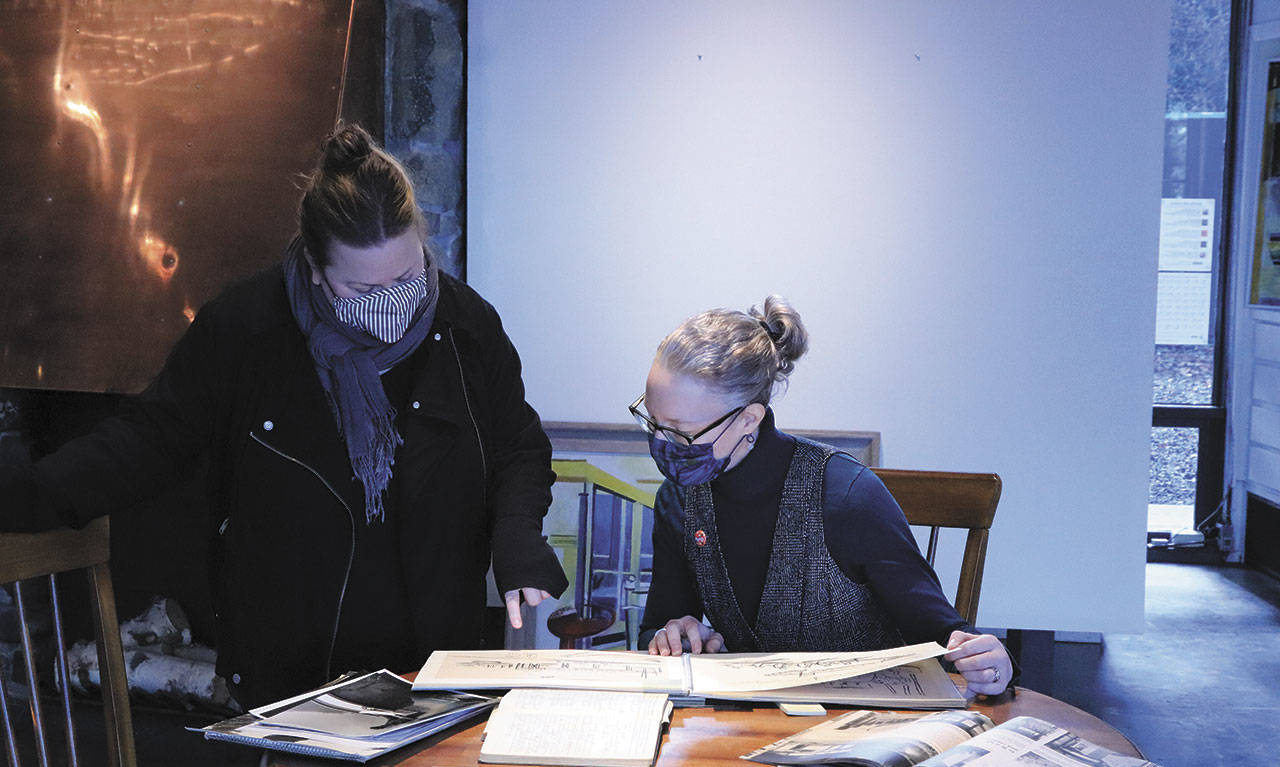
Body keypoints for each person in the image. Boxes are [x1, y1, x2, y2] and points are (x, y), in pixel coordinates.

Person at [0, 123, 567, 710]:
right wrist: (27, 497)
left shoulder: (465, 327)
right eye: (361, 287)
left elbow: (517, 447)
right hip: (291, 669)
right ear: (316, 269)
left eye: (406, 277)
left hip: (434, 659)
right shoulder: (246, 330)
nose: (392, 301)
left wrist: (517, 539)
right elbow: (149, 438)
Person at [633, 295, 1013, 699]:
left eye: (680, 430)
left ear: (749, 419)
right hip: (748, 727)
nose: (661, 441)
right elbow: (656, 626)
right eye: (652, 421)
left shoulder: (846, 495)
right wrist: (676, 635)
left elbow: (940, 637)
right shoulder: (679, 498)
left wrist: (991, 663)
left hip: (867, 723)